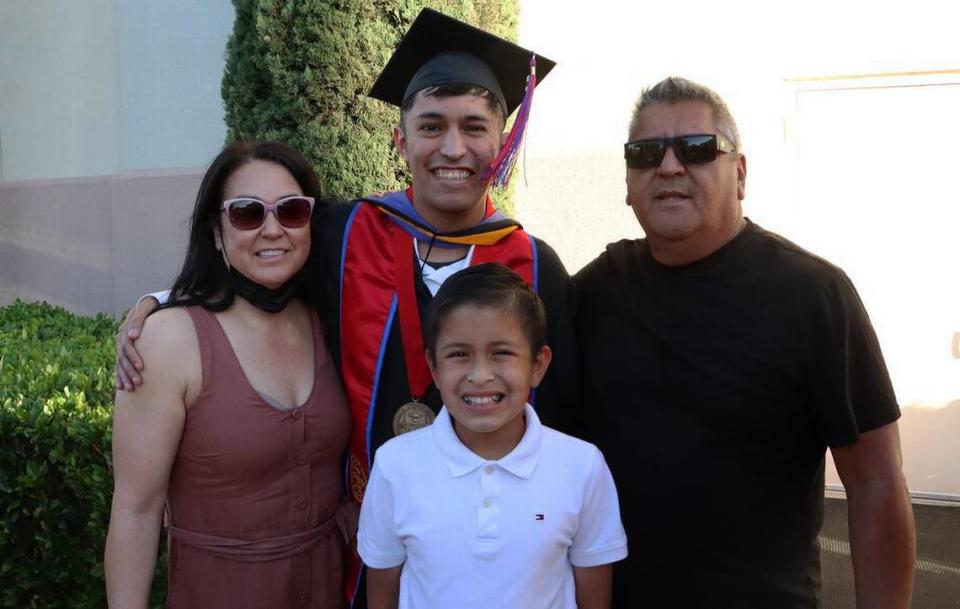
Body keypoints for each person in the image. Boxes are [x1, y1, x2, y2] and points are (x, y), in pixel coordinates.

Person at [112, 9, 578, 605]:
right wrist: (161, 301)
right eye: (431, 126)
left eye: (474, 127)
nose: (452, 148)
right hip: (359, 559)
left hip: (491, 559)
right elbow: (260, 268)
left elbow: (562, 427)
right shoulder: (344, 233)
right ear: (400, 138)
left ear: (502, 139)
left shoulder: (538, 271)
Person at [575, 76, 916, 608]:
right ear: (627, 180)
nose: (668, 166)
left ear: (739, 174)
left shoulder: (814, 295)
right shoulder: (596, 291)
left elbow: (875, 482)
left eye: (696, 149)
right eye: (645, 153)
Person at [104, 141, 351, 609]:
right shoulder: (169, 341)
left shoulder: (330, 318)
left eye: (292, 211)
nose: (272, 229)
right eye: (246, 213)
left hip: (329, 588)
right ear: (216, 232)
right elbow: (136, 510)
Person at [358, 263, 626, 609]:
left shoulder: (582, 466)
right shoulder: (395, 465)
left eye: (502, 353)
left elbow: (593, 590)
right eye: (459, 354)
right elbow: (383, 585)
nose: (480, 375)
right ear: (434, 368)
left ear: (538, 365)